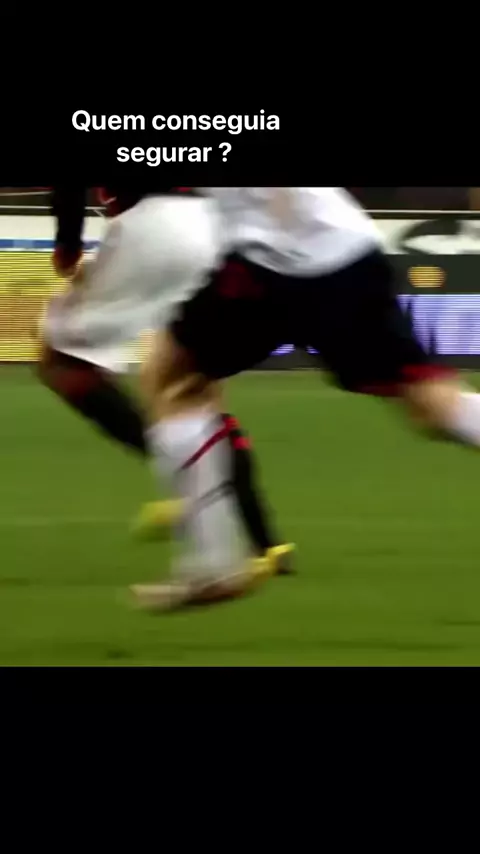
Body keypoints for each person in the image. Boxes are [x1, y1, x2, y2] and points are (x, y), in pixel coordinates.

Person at [132, 186, 480, 611]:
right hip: (345, 254)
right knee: (432, 407)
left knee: (172, 380)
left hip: (280, 265)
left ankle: (213, 564)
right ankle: (211, 563)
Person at [38, 186, 293, 576]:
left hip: (155, 226)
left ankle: (187, 475)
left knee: (61, 363)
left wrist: (67, 247)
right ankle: (269, 545)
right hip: (217, 230)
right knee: (194, 392)